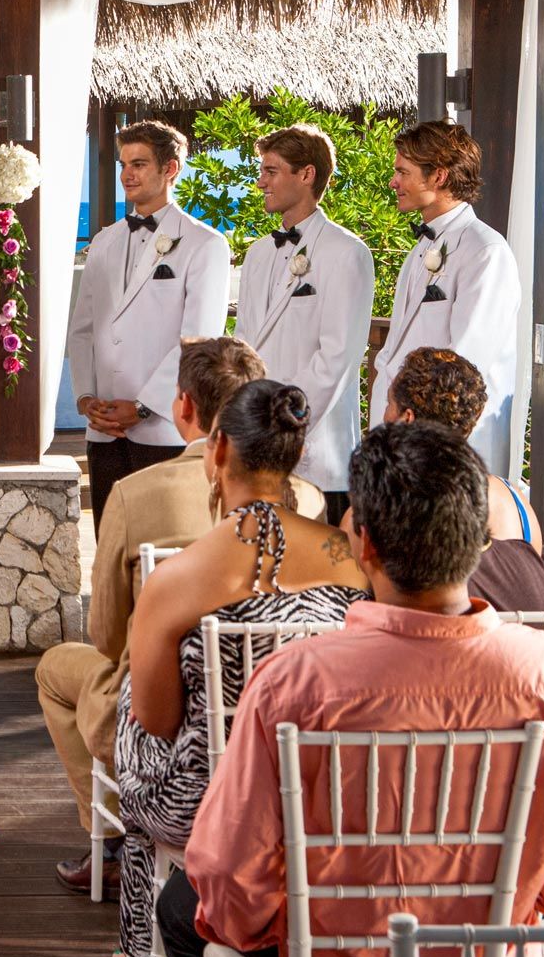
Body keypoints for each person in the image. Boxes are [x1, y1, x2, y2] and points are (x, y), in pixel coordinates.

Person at [161, 422, 544, 957]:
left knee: (181, 906)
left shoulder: (292, 683)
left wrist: (277, 925)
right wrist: (520, 900)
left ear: (365, 546)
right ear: (481, 541)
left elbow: (231, 879)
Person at [39, 337, 325, 895]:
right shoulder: (310, 503)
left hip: (164, 736)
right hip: (284, 731)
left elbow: (107, 636)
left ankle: (110, 835)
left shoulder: (133, 493)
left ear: (185, 406)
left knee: (55, 668)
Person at [113, 381, 368, 957]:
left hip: (209, 802)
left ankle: (152, 951)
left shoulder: (176, 580)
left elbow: (158, 721)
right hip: (329, 788)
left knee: (129, 709)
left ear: (218, 447)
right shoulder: (352, 557)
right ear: (294, 454)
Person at [67, 121, 230, 534]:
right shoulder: (104, 242)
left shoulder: (204, 244)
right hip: (103, 430)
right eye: (124, 164)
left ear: (170, 169)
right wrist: (88, 399)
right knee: (111, 550)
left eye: (139, 164)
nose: (127, 175)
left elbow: (199, 340)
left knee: (164, 553)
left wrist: (143, 407)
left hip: (165, 429)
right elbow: (83, 328)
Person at [235, 124, 376, 524]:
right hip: (260, 445)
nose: (261, 182)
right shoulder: (259, 254)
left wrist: (286, 424)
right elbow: (244, 343)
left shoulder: (347, 252)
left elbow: (339, 356)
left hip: (317, 447)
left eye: (272, 171)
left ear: (307, 174)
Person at [368, 122, 521, 476]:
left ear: (438, 176)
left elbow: (465, 363)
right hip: (404, 432)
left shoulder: (486, 251)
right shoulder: (422, 247)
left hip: (447, 445)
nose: (394, 182)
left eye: (402, 172)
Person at [383, 347, 544, 611]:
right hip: (536, 642)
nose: (385, 415)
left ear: (407, 419)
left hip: (462, 646)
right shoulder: (514, 497)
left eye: (389, 404)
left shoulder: (408, 498)